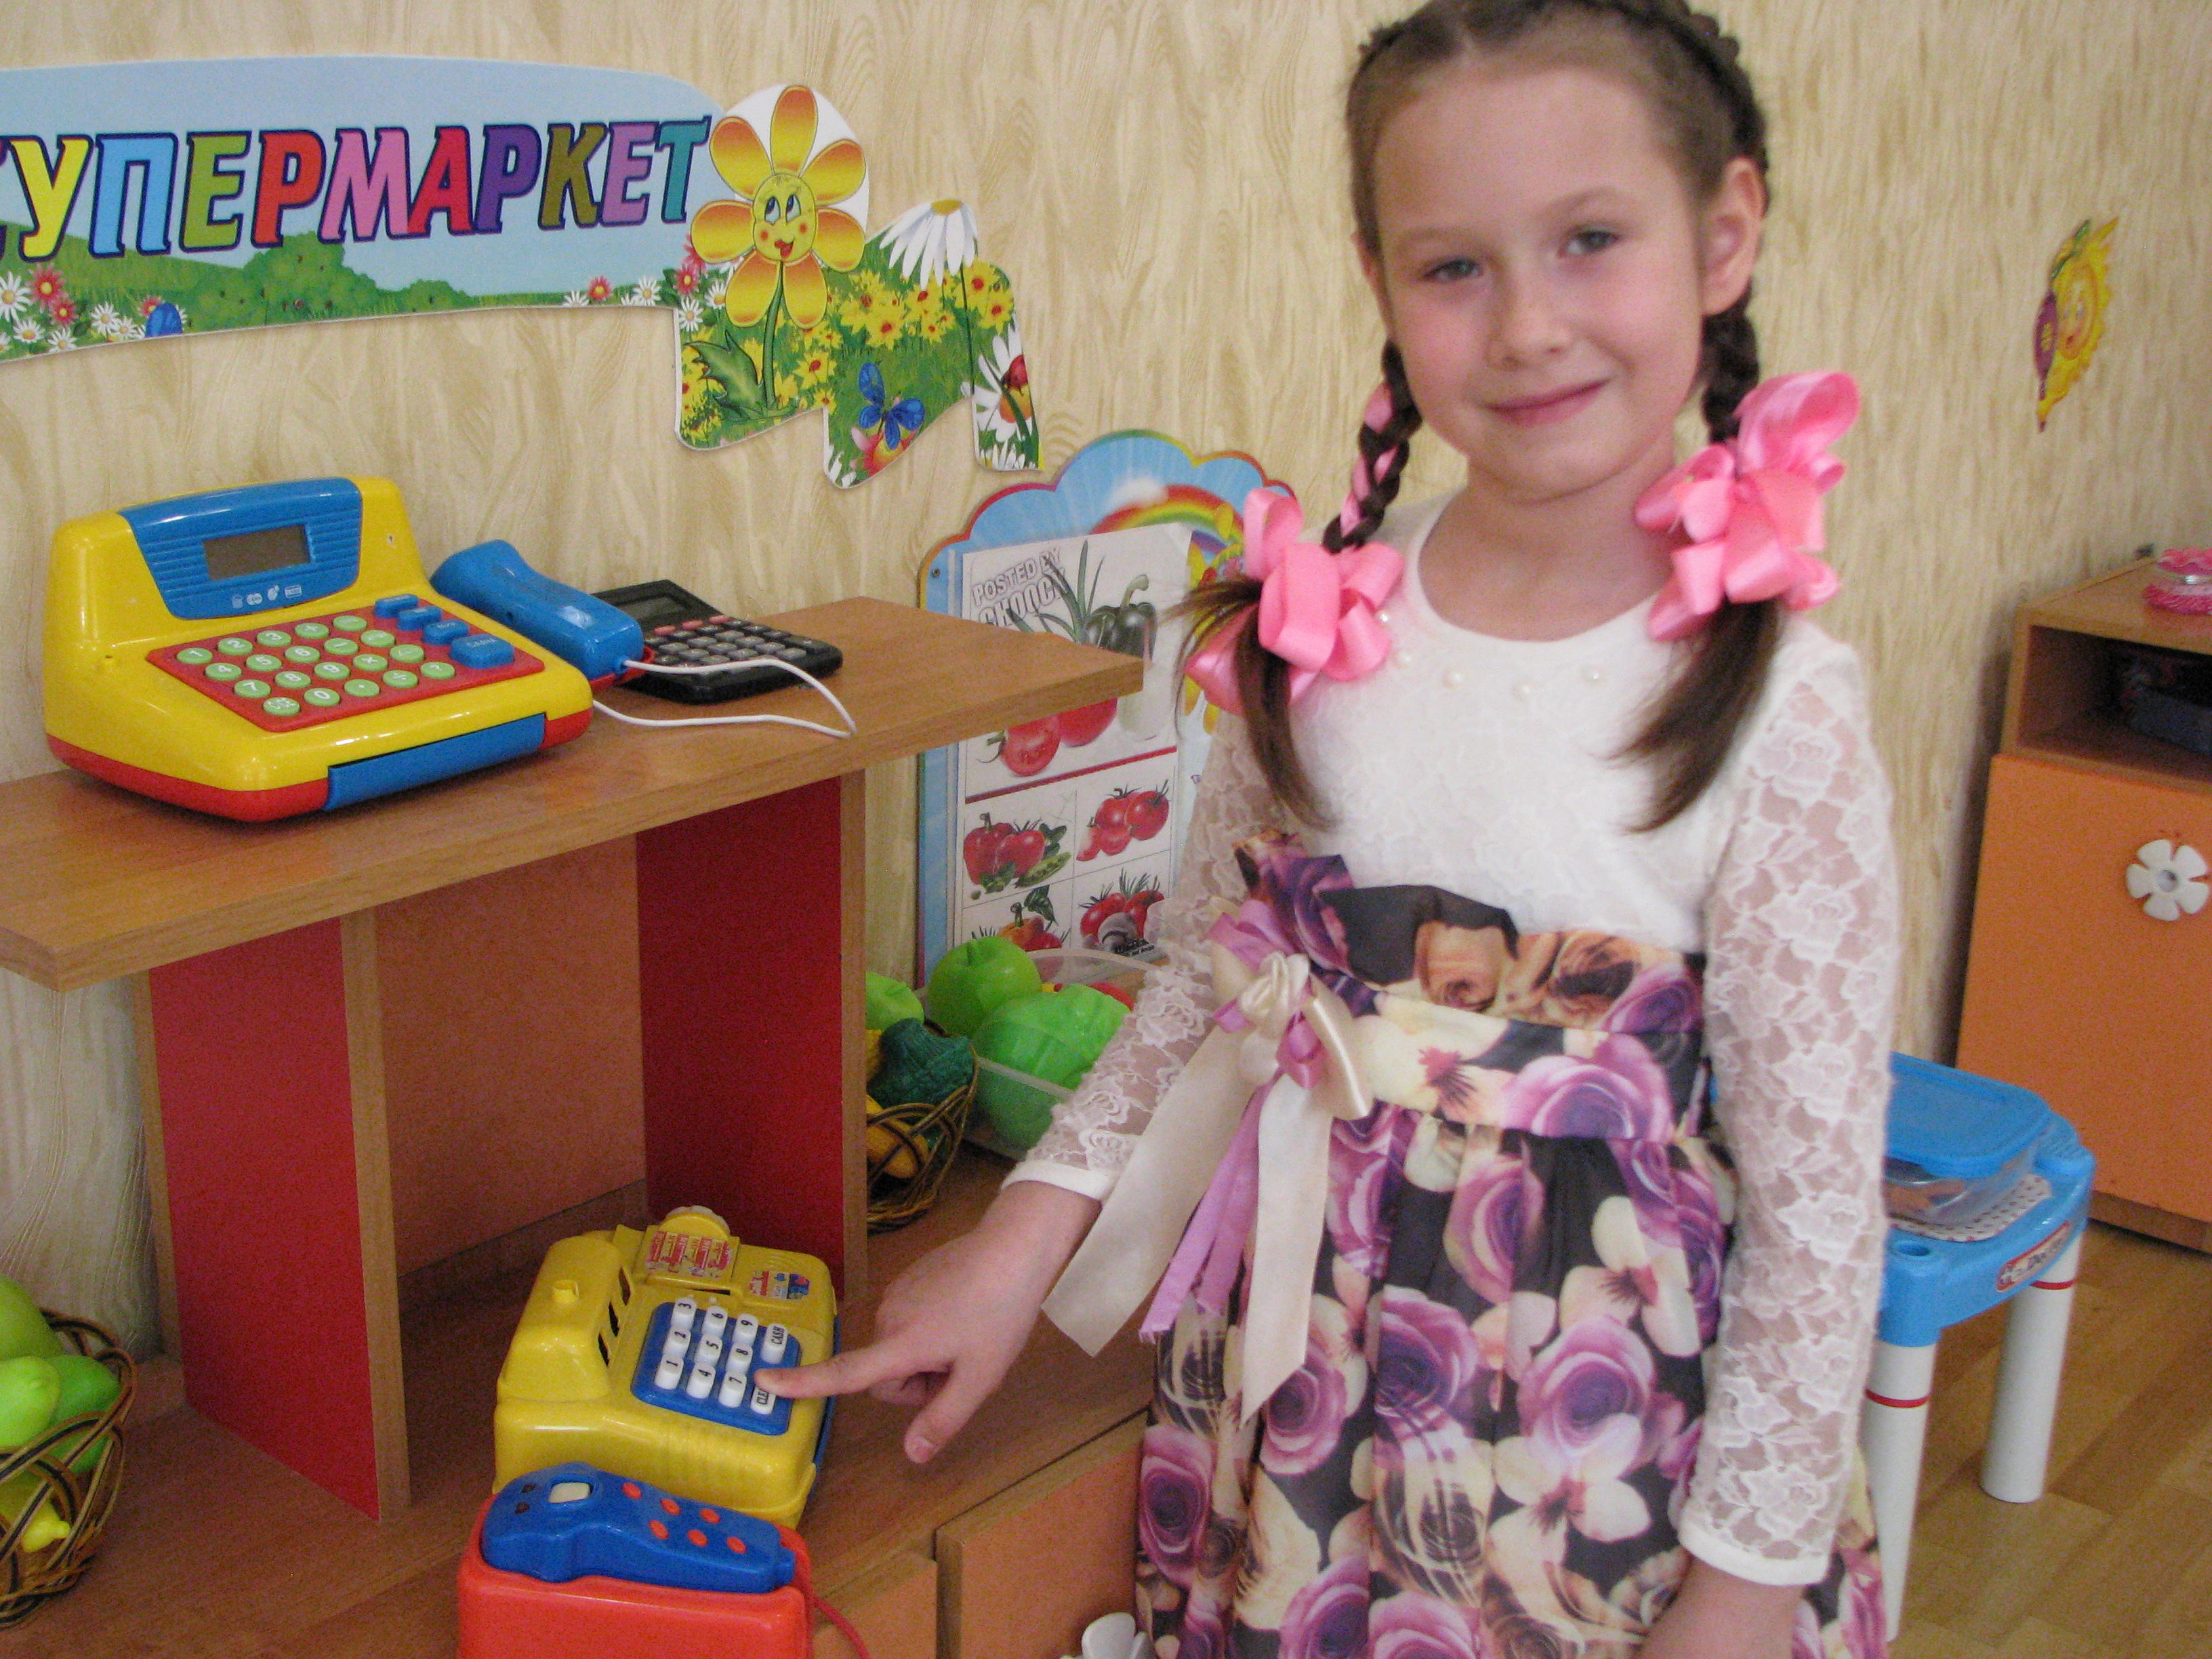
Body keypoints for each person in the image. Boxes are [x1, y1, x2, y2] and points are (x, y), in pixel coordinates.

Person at [768, 3, 1897, 1654]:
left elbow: (1821, 1220)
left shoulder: (1783, 708)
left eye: (1590, 240)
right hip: (1296, 1417)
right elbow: (1202, 983)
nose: (1527, 327)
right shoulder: (1315, 633)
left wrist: (1737, 1597)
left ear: (1723, 236)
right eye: (1455, 267)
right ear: (1379, 279)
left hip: (1609, 1471)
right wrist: (1019, 1244)